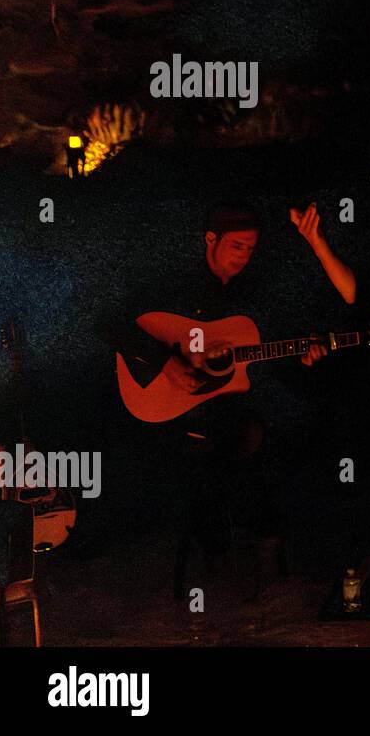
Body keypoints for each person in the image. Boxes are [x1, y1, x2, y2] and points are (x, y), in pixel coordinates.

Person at [115, 202, 339, 600]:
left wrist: (304, 356)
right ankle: (221, 554)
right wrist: (167, 363)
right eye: (237, 246)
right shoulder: (174, 286)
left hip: (224, 406)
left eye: (251, 250)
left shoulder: (250, 297)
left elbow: (256, 362)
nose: (244, 257)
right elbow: (112, 322)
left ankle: (266, 554)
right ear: (210, 240)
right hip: (172, 412)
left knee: (276, 430)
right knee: (228, 449)